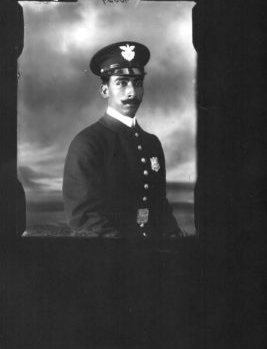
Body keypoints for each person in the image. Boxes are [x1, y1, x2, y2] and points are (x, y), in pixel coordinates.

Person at [63, 41, 182, 238]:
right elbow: (85, 218)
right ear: (105, 90)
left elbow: (159, 204)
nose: (132, 92)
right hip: (112, 252)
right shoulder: (87, 143)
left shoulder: (151, 143)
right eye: (121, 83)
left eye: (138, 83)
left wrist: (173, 238)